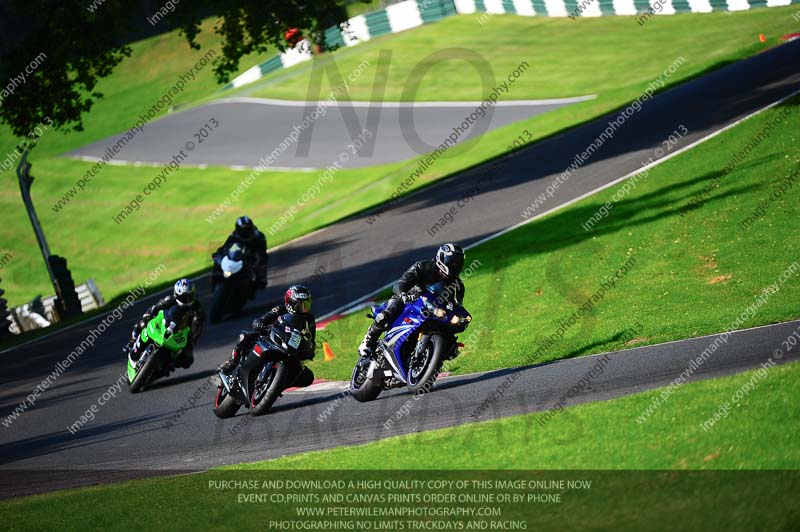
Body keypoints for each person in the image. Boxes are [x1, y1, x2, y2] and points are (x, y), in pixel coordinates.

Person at [358, 243, 466, 357]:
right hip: (409, 300)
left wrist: (460, 319)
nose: (455, 266)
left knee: (451, 343)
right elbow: (399, 285)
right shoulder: (421, 267)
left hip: (433, 310)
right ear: (442, 258)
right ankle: (368, 341)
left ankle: (432, 356)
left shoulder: (458, 286)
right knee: (385, 316)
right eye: (452, 262)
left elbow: (457, 306)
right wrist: (403, 295)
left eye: (458, 264)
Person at [219, 285, 316, 388]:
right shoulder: (280, 309)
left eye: (306, 304)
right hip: (271, 337)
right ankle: (232, 362)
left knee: (308, 377)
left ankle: (278, 385)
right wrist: (260, 323)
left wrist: (309, 349)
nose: (304, 308)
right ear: (290, 302)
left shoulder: (309, 320)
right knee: (245, 337)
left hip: (290, 349)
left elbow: (311, 339)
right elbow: (265, 318)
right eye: (300, 305)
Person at [126, 279, 205, 369]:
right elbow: (155, 307)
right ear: (176, 294)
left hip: (182, 332)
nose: (187, 299)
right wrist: (149, 314)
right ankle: (133, 340)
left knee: (188, 359)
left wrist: (192, 339)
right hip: (166, 323)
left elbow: (198, 325)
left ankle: (168, 365)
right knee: (144, 323)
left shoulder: (197, 308)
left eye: (189, 296)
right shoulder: (169, 299)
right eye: (183, 297)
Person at [213, 216, 268, 289]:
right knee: (218, 259)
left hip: (251, 258)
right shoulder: (234, 235)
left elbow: (262, 252)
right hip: (237, 257)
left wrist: (257, 263)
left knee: (262, 260)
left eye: (246, 229)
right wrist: (218, 254)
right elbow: (225, 246)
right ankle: (214, 278)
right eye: (242, 230)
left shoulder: (259, 236)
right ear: (238, 229)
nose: (245, 232)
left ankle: (261, 278)